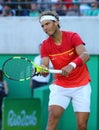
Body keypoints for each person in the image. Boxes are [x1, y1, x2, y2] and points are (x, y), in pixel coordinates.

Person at [39, 10, 91, 130]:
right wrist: (43, 69)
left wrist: (71, 65)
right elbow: (44, 64)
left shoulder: (72, 36)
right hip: (61, 86)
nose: (45, 28)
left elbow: (85, 55)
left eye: (47, 24)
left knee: (82, 125)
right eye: (42, 26)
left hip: (81, 85)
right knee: (52, 116)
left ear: (56, 22)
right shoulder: (45, 45)